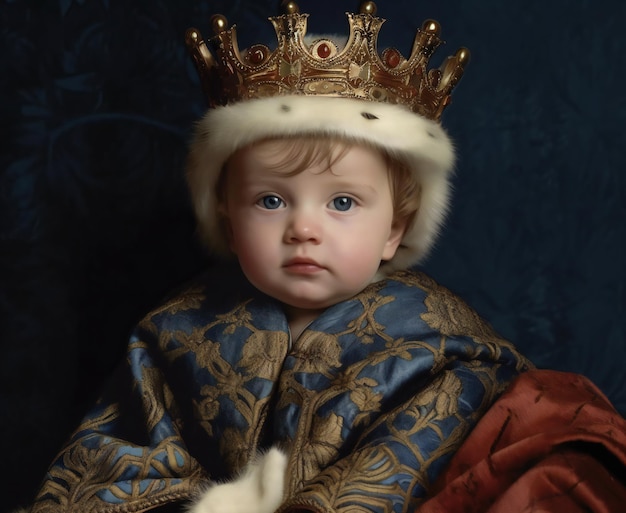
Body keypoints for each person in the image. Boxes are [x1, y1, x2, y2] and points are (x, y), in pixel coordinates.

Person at [23, 2, 626, 513]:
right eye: (270, 200)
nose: (303, 227)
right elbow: (109, 462)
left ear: (395, 230)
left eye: (342, 201)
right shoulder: (174, 333)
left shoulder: (443, 350)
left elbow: (412, 472)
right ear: (229, 222)